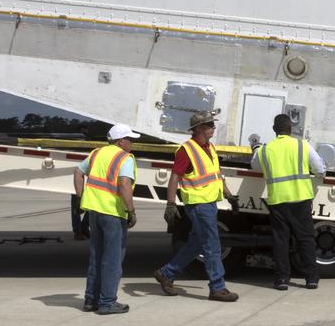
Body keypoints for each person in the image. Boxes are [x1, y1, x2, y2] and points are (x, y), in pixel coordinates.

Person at [154, 111, 239, 302]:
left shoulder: (210, 147)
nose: (213, 128)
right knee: (212, 245)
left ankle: (166, 273)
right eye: (209, 125)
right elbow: (175, 176)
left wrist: (229, 195)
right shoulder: (187, 150)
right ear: (199, 128)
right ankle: (217, 287)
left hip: (209, 203)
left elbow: (217, 174)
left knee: (197, 244)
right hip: (198, 204)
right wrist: (170, 204)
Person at [252, 113, 326, 290]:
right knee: (306, 239)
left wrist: (255, 147)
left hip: (278, 200)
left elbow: (254, 165)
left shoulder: (266, 149)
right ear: (290, 129)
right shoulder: (302, 145)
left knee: (281, 240)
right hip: (301, 198)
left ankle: (282, 279)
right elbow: (320, 169)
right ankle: (311, 278)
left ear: (274, 130)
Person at [73, 123, 139, 315]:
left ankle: (90, 300)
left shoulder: (96, 153)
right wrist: (131, 211)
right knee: (112, 260)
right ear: (121, 141)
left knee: (97, 256)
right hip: (112, 213)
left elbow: (78, 172)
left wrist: (80, 196)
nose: (132, 143)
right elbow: (124, 184)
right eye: (130, 139)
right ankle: (108, 302)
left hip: (94, 211)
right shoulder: (124, 158)